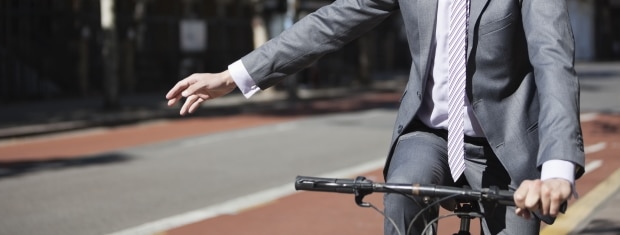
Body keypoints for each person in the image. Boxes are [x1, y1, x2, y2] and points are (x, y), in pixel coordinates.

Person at [166, 0, 585, 234]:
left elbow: (553, 62)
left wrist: (557, 170)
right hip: (430, 134)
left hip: (507, 142)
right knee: (402, 193)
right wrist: (234, 75)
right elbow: (330, 23)